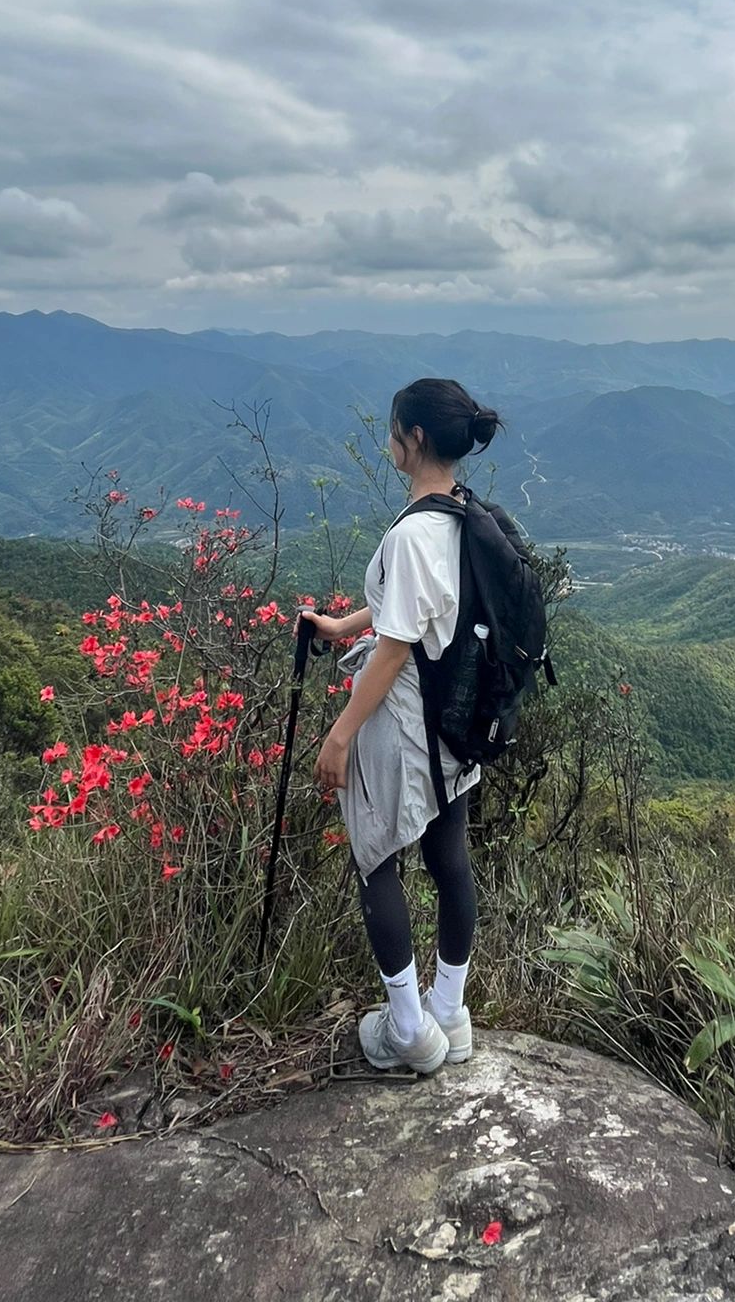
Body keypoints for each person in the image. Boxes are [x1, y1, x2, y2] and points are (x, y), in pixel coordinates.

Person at [298, 377, 502, 1074]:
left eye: (392, 430)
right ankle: (451, 1013)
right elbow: (413, 606)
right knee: (449, 859)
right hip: (456, 719)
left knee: (375, 858)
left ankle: (409, 1032)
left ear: (413, 439)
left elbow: (394, 648)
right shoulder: (463, 514)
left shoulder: (414, 531)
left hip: (406, 721)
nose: (388, 441)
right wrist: (340, 626)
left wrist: (340, 735)